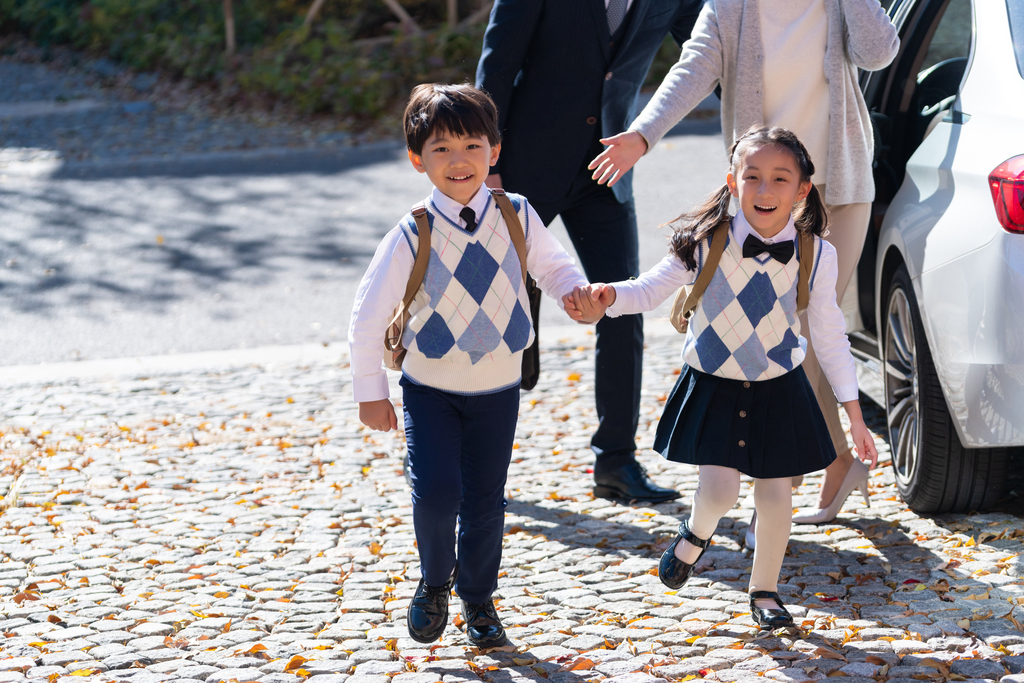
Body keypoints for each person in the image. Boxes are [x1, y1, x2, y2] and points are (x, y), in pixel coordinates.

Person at [586, 0, 898, 525]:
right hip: (765, 198)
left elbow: (881, 53)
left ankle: (779, 489)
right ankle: (822, 467)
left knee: (808, 331)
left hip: (837, 191)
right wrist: (643, 135)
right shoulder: (731, 7)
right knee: (780, 336)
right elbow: (693, 68)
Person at [565, 127, 878, 628]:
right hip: (713, 383)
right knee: (719, 493)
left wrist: (855, 416)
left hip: (780, 387)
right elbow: (648, 290)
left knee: (776, 497)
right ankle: (694, 533)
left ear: (802, 190)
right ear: (733, 182)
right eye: (752, 177)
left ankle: (765, 592)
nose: (764, 190)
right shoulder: (704, 242)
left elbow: (830, 337)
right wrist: (608, 297)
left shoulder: (817, 255)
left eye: (780, 178)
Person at [349, 83, 588, 648]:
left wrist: (576, 293)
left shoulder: (518, 214)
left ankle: (479, 600)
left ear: (495, 151)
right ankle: (434, 582)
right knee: (435, 494)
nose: (459, 161)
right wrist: (370, 391)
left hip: (498, 388)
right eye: (440, 150)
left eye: (472, 146)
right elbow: (367, 313)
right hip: (430, 388)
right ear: (417, 160)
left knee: (486, 501)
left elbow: (553, 269)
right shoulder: (413, 232)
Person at [475, 0, 705, 504]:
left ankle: (616, 462)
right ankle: (469, 456)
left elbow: (715, 46)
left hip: (607, 171)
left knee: (621, 307)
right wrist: (488, 165)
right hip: (525, 166)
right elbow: (498, 62)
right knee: (495, 312)